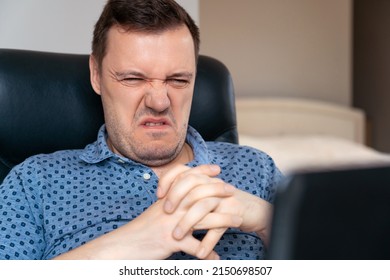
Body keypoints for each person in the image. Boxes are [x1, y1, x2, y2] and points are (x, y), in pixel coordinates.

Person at [0, 0, 283, 260]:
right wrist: (133, 243)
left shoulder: (257, 169)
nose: (159, 102)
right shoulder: (35, 183)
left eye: (178, 80)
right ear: (96, 75)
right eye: (133, 78)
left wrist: (271, 221)